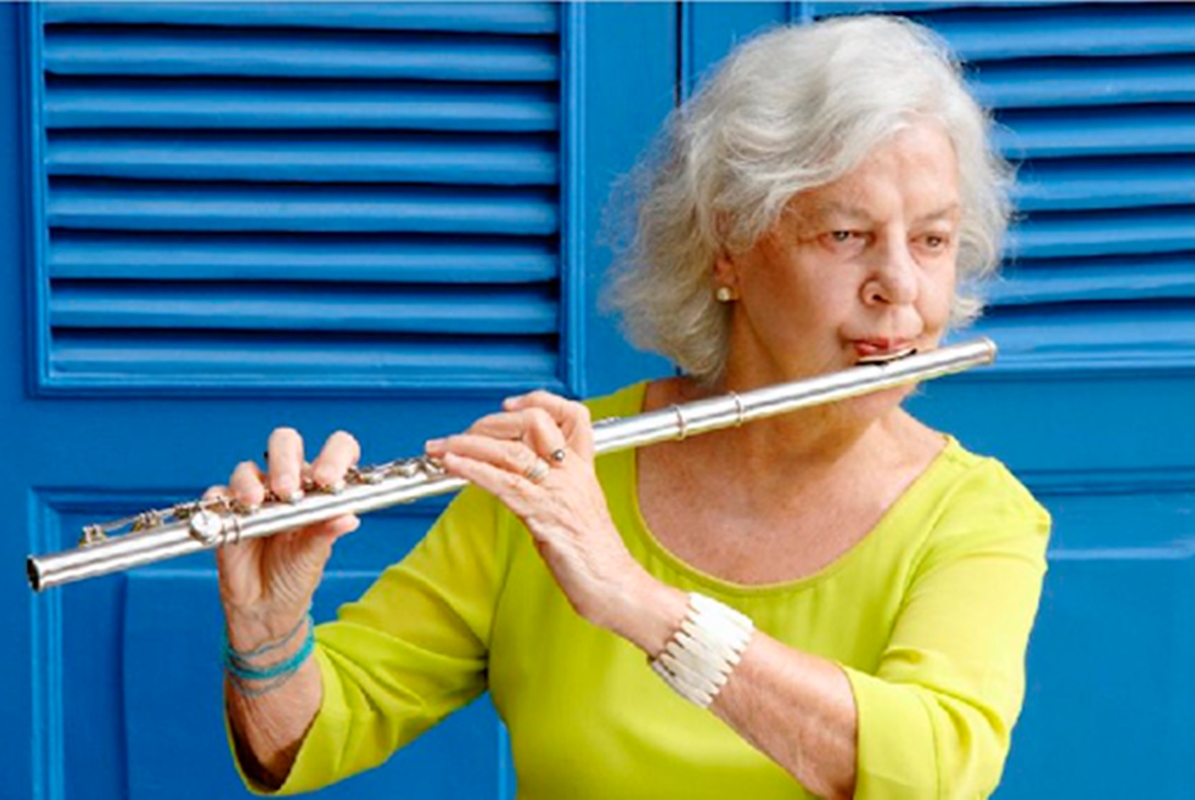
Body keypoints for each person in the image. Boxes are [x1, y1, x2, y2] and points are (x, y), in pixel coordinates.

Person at [214, 15, 1050, 800]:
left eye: (932, 240)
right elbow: (313, 735)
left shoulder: (975, 516)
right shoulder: (558, 473)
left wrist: (635, 601)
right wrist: (269, 636)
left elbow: (935, 766)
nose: (900, 286)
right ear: (729, 244)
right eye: (845, 235)